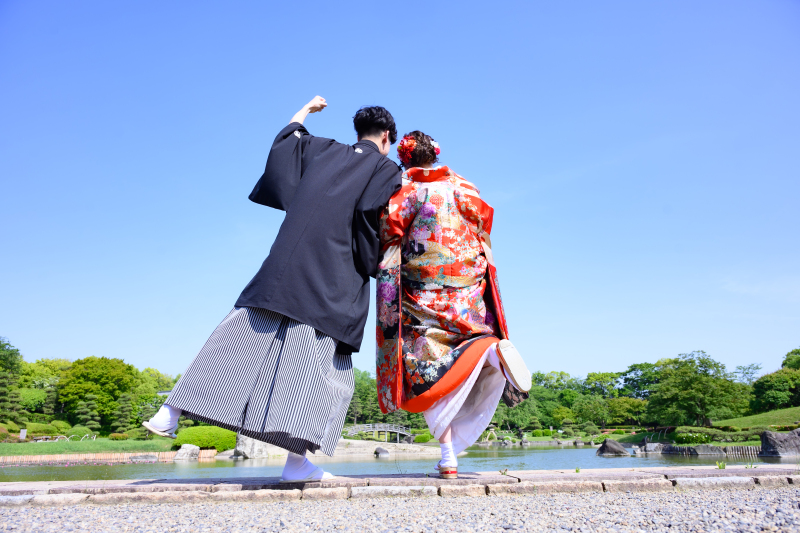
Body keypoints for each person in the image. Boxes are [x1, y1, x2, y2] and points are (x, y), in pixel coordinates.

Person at [143, 96, 402, 482]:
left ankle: (170, 412)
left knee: (241, 336)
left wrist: (304, 109)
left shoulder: (323, 148)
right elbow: (373, 215)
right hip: (333, 273)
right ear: (386, 137)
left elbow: (288, 140)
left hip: (287, 260)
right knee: (317, 371)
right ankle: (297, 464)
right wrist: (379, 262)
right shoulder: (385, 168)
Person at [375, 131, 531, 479]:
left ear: (407, 158)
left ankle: (448, 457)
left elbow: (389, 229)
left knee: (425, 367)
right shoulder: (466, 186)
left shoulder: (406, 188)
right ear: (436, 153)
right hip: (466, 283)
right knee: (471, 340)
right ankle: (493, 354)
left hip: (424, 290)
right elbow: (484, 224)